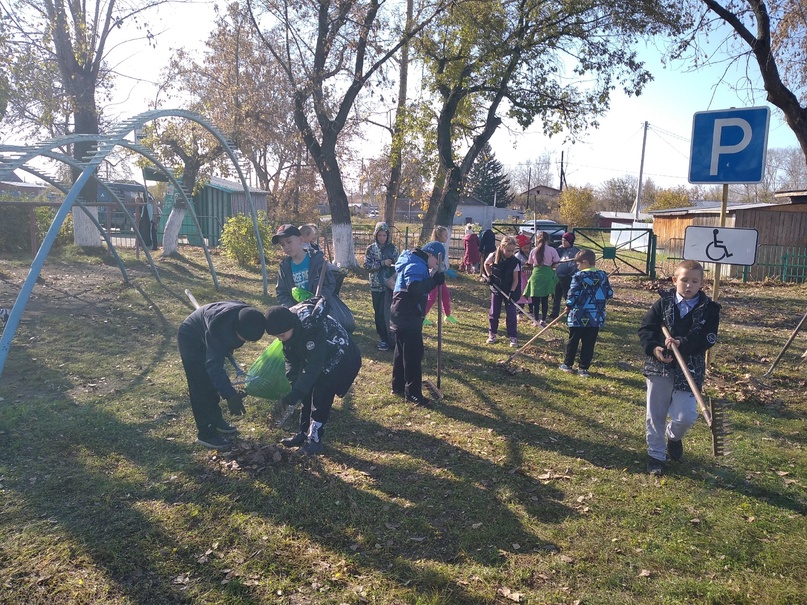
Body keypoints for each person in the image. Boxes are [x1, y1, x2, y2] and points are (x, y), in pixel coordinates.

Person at [638, 259, 720, 476]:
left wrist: (682, 343)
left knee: (686, 416)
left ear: (701, 283)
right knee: (655, 414)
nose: (689, 285)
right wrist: (655, 349)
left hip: (690, 368)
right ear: (675, 280)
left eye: (694, 281)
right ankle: (656, 455)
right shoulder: (663, 305)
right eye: (684, 280)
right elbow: (646, 329)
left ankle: (673, 437)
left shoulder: (710, 309)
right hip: (659, 367)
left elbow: (708, 338)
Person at [266, 303, 362, 456]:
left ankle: (315, 441)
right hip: (320, 357)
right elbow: (291, 359)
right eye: (277, 336)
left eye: (282, 335)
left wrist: (298, 391)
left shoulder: (312, 326)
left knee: (320, 397)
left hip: (341, 357)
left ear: (291, 326)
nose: (280, 339)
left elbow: (314, 366)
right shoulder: (289, 326)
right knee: (306, 394)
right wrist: (295, 386)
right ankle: (303, 433)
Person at [177, 301, 267, 449]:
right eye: (242, 339)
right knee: (201, 387)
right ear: (235, 329)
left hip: (208, 333)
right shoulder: (218, 331)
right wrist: (230, 395)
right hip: (190, 338)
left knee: (212, 385)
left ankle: (216, 420)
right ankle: (206, 434)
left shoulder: (248, 315)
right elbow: (214, 367)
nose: (243, 342)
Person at [390, 240, 446, 407]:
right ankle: (413, 395)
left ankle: (398, 386)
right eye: (436, 261)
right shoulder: (417, 264)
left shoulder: (414, 261)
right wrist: (434, 281)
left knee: (401, 351)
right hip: (407, 312)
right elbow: (414, 288)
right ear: (430, 255)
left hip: (401, 312)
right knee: (413, 355)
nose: (435, 265)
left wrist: (432, 279)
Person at [559, 249, 613, 377]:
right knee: (589, 342)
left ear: (585, 262)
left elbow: (573, 294)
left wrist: (568, 305)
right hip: (596, 316)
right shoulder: (602, 275)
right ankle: (583, 368)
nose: (577, 267)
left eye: (578, 264)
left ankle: (568, 364)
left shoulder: (578, 276)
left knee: (573, 340)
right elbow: (609, 293)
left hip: (579, 315)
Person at [273, 224, 335, 307]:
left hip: (319, 309)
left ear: (301, 239)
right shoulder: (284, 267)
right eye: (282, 244)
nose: (286, 247)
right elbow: (281, 292)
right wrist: (290, 308)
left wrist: (319, 300)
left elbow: (329, 284)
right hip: (296, 312)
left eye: (289, 242)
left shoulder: (317, 261)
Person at [363, 221, 399, 351]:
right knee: (379, 313)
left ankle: (393, 338)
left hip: (391, 286)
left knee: (390, 312)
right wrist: (382, 263)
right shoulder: (371, 249)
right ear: (376, 235)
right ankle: (383, 338)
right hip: (376, 286)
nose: (382, 238)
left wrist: (393, 264)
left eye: (384, 235)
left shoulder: (393, 249)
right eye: (380, 235)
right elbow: (367, 266)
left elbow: (399, 265)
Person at [483, 235, 521, 347]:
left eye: (512, 251)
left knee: (511, 314)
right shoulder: (493, 256)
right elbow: (486, 264)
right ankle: (492, 334)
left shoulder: (515, 262)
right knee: (494, 312)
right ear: (502, 247)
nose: (510, 253)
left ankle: (513, 336)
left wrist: (512, 292)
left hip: (510, 289)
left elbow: (516, 280)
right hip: (497, 288)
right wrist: (490, 276)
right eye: (508, 250)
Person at [523, 231, 560, 327]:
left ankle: (535, 319)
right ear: (548, 240)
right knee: (544, 299)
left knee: (535, 300)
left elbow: (530, 263)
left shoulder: (533, 250)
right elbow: (557, 263)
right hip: (547, 275)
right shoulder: (552, 250)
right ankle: (543, 320)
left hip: (536, 275)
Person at [424, 225, 458, 326]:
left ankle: (447, 315)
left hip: (440, 275)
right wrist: (442, 269)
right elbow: (435, 262)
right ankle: (422, 316)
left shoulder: (442, 246)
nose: (447, 237)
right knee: (432, 297)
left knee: (446, 295)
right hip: (434, 276)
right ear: (439, 236)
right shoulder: (436, 247)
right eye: (445, 235)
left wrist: (445, 270)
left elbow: (442, 262)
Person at [551, 232, 579, 319]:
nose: (563, 242)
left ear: (570, 241)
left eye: (565, 241)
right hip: (557, 275)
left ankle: (569, 313)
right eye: (562, 240)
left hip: (568, 277)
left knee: (567, 295)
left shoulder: (575, 252)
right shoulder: (559, 250)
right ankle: (554, 313)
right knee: (556, 295)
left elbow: (576, 265)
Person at [514, 233, 533, 321]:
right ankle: (519, 312)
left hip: (530, 277)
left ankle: (532, 311)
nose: (526, 250)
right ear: (521, 248)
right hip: (521, 278)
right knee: (521, 294)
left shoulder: (530, 254)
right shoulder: (518, 256)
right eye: (524, 248)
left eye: (528, 248)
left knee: (531, 294)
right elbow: (515, 267)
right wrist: (523, 267)